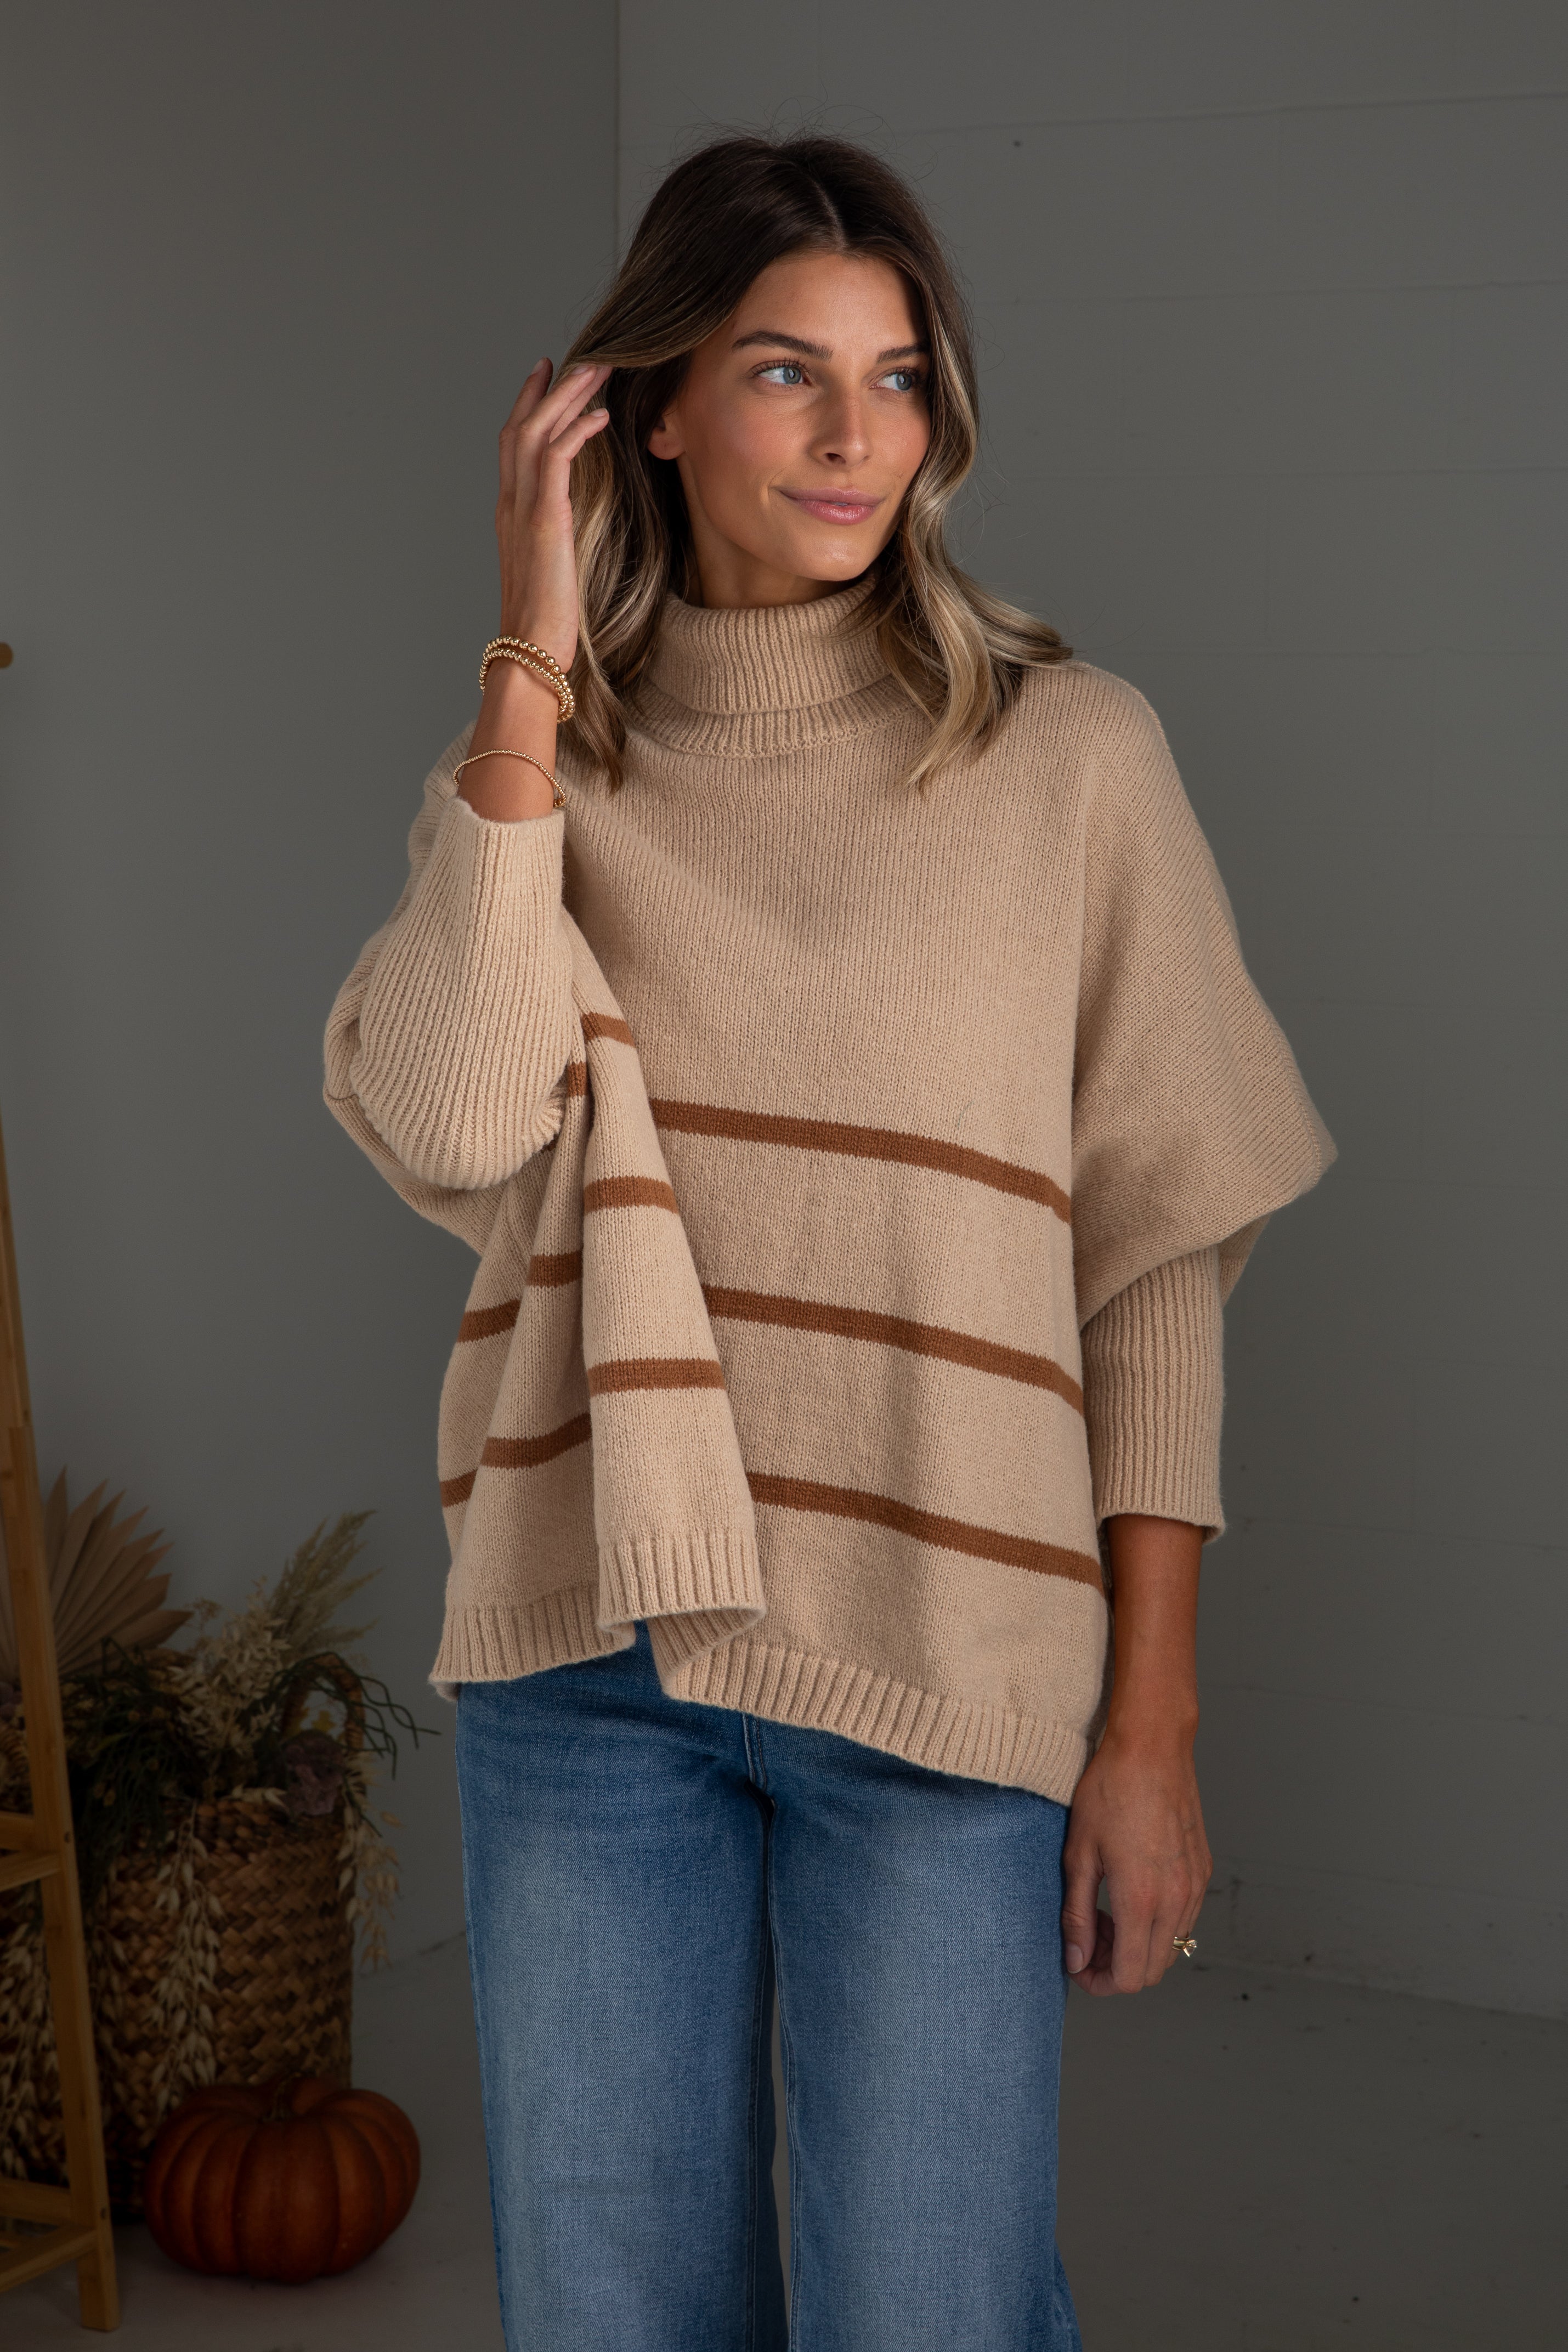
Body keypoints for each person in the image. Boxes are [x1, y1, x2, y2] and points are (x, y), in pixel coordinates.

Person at [325, 133, 1332, 2352]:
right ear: (648, 406)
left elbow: (1156, 1241)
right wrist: (519, 671)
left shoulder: (1063, 758)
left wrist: (1146, 1717)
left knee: (928, 2313)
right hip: (588, 1662)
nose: (859, 432)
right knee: (613, 2315)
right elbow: (446, 1115)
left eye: (897, 376)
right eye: (787, 372)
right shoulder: (537, 777)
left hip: (942, 1646)